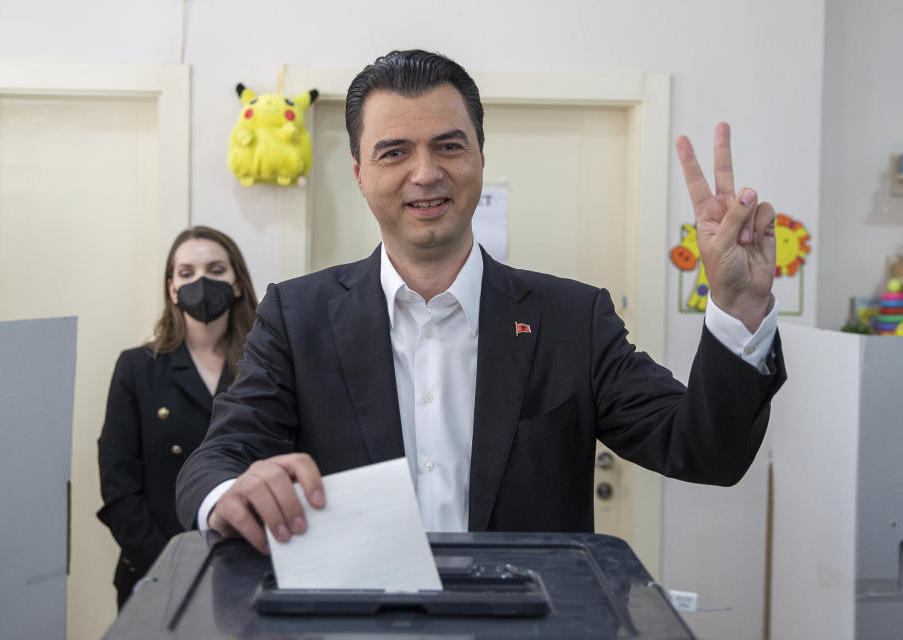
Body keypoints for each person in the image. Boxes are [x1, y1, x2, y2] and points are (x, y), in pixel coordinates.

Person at [176, 50, 785, 555]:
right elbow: (219, 457)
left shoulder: (572, 320)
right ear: (359, 173)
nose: (425, 172)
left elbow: (706, 451)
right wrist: (226, 493)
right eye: (394, 152)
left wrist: (738, 309)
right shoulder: (295, 318)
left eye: (448, 146)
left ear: (479, 159)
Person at [97, 226, 257, 608]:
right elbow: (119, 490)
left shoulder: (265, 366)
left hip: (248, 569)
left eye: (216, 270)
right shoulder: (136, 368)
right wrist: (170, 566)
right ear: (172, 289)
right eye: (187, 273)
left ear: (237, 283)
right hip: (155, 572)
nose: (201, 282)